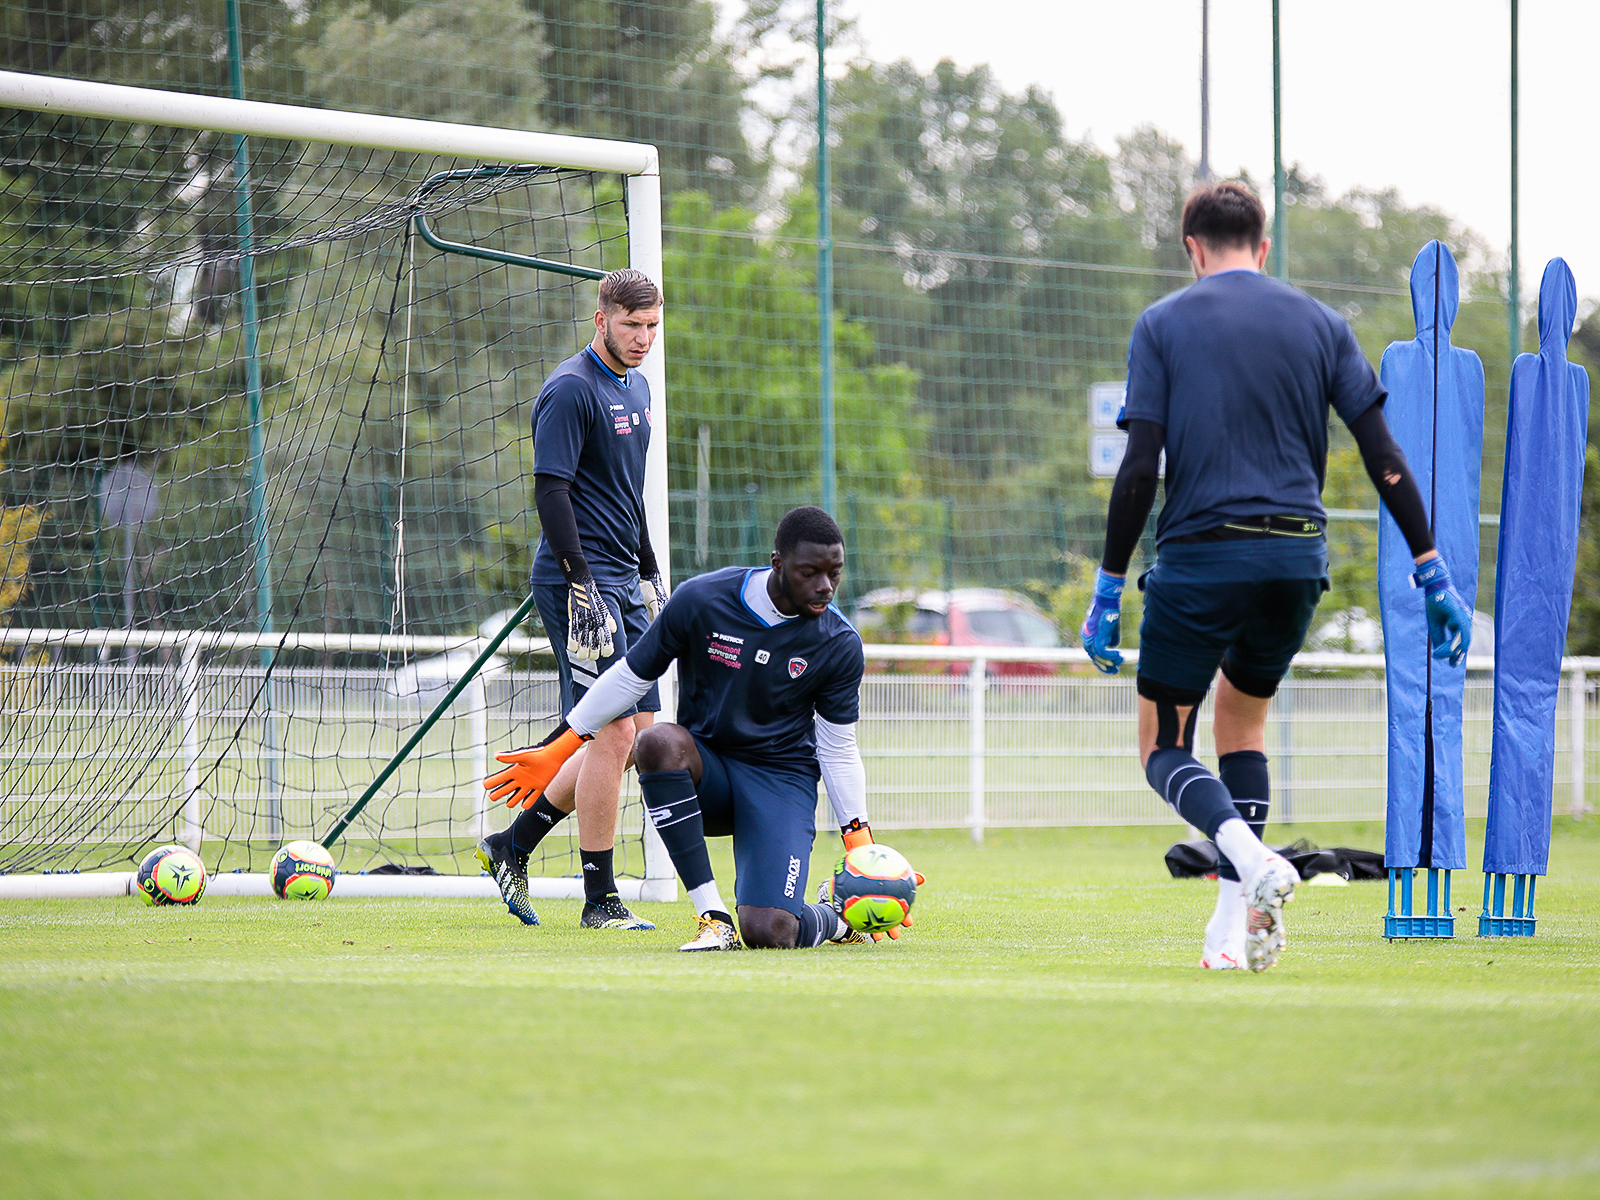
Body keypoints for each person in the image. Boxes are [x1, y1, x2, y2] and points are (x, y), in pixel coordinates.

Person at [1079, 180, 1471, 972]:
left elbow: (1139, 469)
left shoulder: (1161, 325)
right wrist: (1431, 566)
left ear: (1192, 249)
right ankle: (1230, 933)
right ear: (1263, 246)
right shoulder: (1322, 322)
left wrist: (1109, 587)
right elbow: (1383, 456)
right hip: (1297, 558)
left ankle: (1250, 861)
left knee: (1164, 746)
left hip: (1202, 557)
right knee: (1242, 726)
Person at [485, 506, 912, 951]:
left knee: (770, 932)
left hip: (780, 785)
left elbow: (837, 747)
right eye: (810, 572)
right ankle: (713, 919)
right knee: (655, 740)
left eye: (834, 573)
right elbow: (631, 676)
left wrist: (858, 837)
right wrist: (560, 745)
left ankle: (836, 915)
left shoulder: (839, 643)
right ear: (778, 564)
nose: (825, 586)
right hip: (708, 779)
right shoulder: (704, 600)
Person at [474, 268, 666, 932]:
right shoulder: (569, 389)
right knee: (610, 729)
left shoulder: (637, 387)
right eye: (630, 325)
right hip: (577, 585)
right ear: (601, 318)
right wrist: (582, 579)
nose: (641, 339)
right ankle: (599, 899)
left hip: (623, 583)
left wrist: (649, 571)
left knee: (646, 740)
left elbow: (628, 492)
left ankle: (513, 845)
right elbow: (551, 491)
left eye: (651, 327)